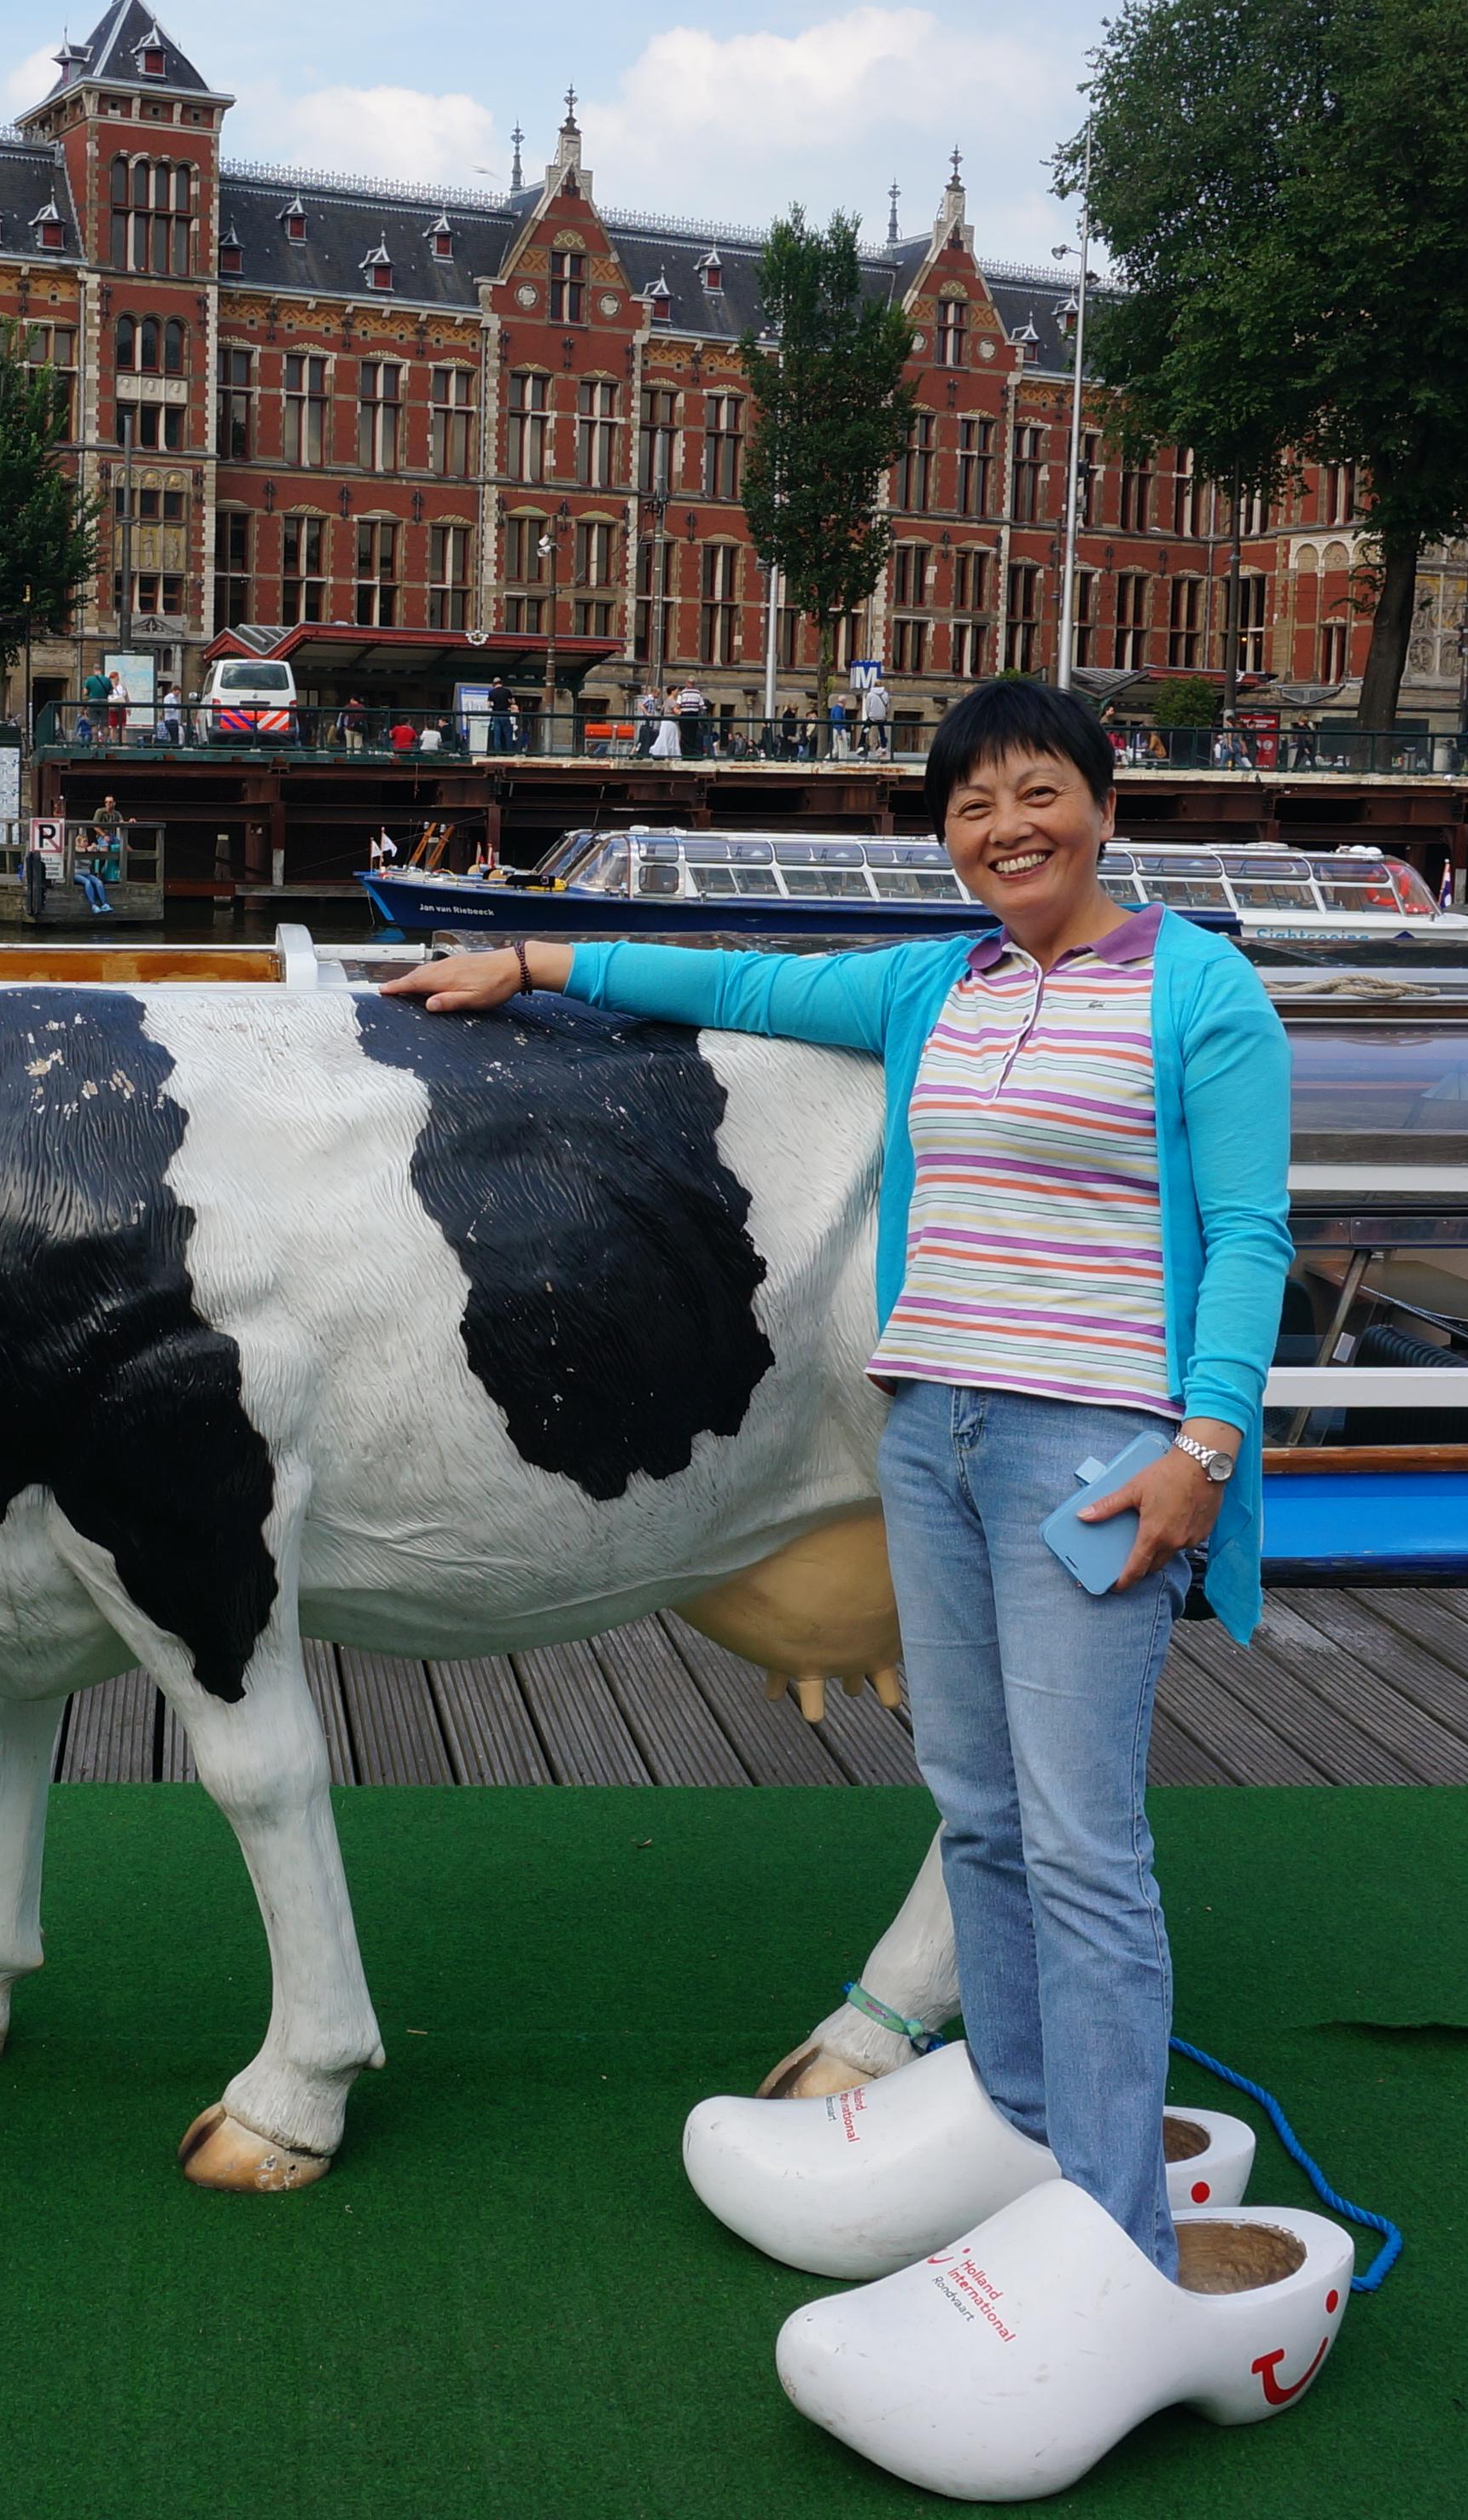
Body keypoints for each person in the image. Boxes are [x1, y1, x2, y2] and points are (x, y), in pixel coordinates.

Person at [382, 678, 1293, 2304]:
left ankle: (1116, 2241)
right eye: (970, 805)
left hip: (1093, 1453)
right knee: (979, 1805)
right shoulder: (936, 983)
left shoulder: (1199, 988)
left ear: (1102, 803)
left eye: (1037, 790)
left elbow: (1248, 1234)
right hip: (934, 1437)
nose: (1006, 827)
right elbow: (740, 978)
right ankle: (1024, 2123)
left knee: (1081, 1841)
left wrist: (1203, 1445)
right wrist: (531, 961)